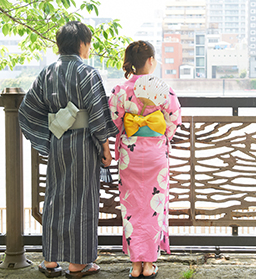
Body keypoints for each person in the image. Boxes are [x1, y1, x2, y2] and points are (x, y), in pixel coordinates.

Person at [18, 21, 119, 278]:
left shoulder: (47, 73)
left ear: (59, 45)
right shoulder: (88, 73)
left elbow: (28, 110)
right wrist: (106, 149)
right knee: (83, 200)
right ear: (83, 44)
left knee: (54, 199)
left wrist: (48, 135)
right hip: (84, 144)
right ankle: (78, 264)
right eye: (89, 43)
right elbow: (97, 116)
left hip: (58, 143)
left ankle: (50, 261)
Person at [108, 41, 181, 278]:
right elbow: (174, 118)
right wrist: (160, 137)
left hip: (130, 154)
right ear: (150, 61)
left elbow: (115, 120)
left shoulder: (120, 89)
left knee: (132, 206)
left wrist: (131, 131)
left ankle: (135, 263)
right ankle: (149, 263)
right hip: (155, 154)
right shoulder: (162, 88)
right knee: (153, 205)